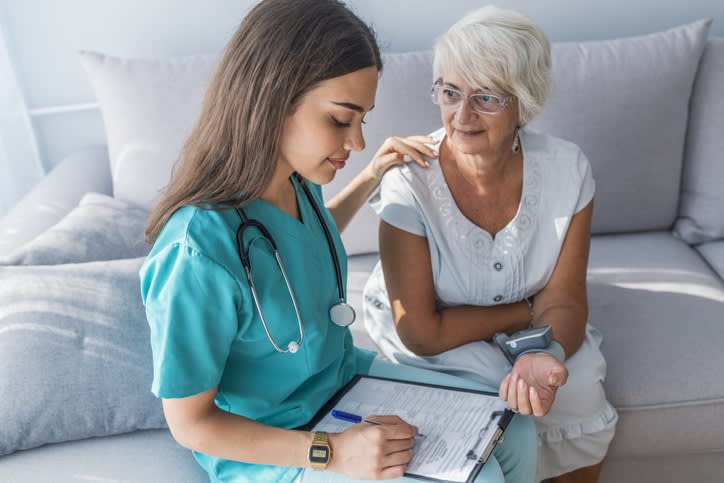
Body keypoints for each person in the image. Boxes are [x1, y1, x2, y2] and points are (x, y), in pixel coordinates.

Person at [140, 1, 537, 482]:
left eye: (362, 120)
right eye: (340, 119)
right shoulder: (194, 252)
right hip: (278, 444)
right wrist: (331, 453)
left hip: (341, 381)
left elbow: (299, 247)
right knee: (483, 475)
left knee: (511, 430)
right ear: (272, 99)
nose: (357, 142)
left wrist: (372, 175)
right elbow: (190, 424)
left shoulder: (295, 181)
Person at [362, 5, 619, 483]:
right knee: (495, 391)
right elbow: (421, 330)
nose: (462, 114)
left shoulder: (568, 169)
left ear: (525, 101)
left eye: (486, 97)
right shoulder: (409, 181)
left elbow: (564, 301)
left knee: (578, 390)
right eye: (450, 92)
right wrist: (527, 313)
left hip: (534, 324)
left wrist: (547, 352)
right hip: (435, 331)